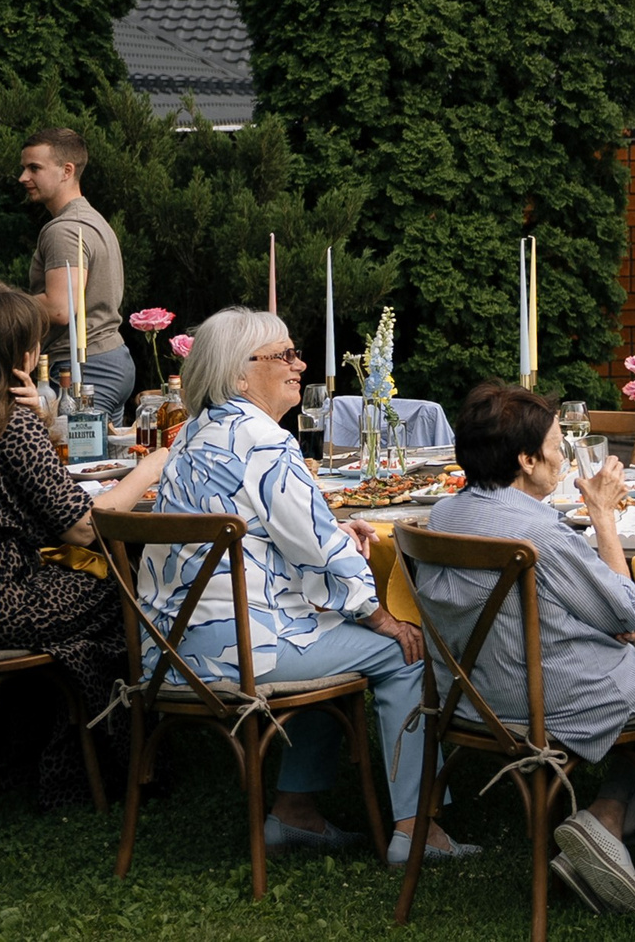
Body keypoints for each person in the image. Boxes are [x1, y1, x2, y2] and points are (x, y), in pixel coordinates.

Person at [138, 308, 471, 861]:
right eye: (285, 355)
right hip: (240, 650)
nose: (299, 364)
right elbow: (317, 551)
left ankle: (296, 813)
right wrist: (380, 615)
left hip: (170, 649)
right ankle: (418, 831)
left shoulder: (193, 433)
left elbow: (280, 534)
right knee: (405, 652)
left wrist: (334, 538)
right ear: (239, 374)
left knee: (327, 626)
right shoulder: (265, 441)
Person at [423, 384, 635, 915]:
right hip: (561, 695)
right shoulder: (539, 533)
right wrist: (603, 516)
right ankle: (608, 826)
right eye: (556, 445)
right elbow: (628, 615)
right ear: (526, 461)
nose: (563, 455)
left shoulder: (443, 517)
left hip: (475, 698)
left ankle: (605, 822)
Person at [0, 286, 172, 807]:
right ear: (21, 355)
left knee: (93, 599)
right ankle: (120, 756)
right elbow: (84, 529)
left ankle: (36, 744)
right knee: (129, 588)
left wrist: (43, 423)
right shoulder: (9, 423)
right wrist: (149, 469)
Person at [0, 127, 136, 426]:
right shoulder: (92, 220)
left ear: (67, 170)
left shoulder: (63, 230)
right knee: (108, 452)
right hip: (111, 359)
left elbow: (59, 308)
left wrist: (1, 299)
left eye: (34, 168)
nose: (23, 177)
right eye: (23, 168)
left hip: (84, 367)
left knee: (71, 451)